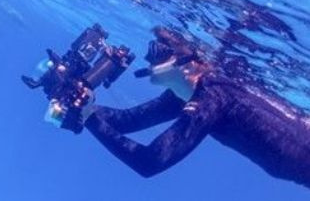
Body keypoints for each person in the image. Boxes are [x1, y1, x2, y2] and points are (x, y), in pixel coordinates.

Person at [70, 27, 310, 188]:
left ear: (189, 63)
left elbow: (150, 161)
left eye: (161, 49)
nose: (150, 55)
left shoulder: (214, 96)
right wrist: (77, 102)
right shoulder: (187, 94)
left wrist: (88, 117)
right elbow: (126, 121)